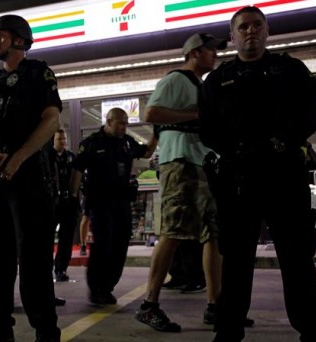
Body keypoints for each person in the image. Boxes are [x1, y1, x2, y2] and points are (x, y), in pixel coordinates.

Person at [198, 6, 316, 341]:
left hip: (285, 177)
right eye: (243, 27)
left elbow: (308, 118)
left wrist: (277, 144)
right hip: (238, 182)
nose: (250, 31)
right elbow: (207, 129)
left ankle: (311, 327)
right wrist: (237, 152)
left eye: (256, 25)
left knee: (296, 259)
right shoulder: (218, 79)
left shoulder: (291, 70)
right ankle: (228, 330)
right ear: (234, 34)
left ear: (267, 31)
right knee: (236, 262)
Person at [0, 14, 62, 342]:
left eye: (1, 36)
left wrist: (18, 159)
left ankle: (45, 331)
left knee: (33, 259)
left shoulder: (38, 73)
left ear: (20, 39)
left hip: (30, 180)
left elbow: (51, 120)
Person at [134, 32, 227, 332]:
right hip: (181, 163)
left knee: (213, 234)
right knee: (173, 231)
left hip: (202, 164)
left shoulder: (201, 84)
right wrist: (196, 115)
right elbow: (152, 113)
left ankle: (216, 305)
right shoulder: (176, 79)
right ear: (195, 53)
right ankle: (149, 304)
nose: (216, 55)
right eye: (211, 50)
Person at [71, 107, 155, 306]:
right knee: (103, 245)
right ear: (109, 122)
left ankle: (108, 287)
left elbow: (146, 152)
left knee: (120, 246)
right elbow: (77, 169)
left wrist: (157, 133)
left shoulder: (127, 142)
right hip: (100, 203)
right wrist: (72, 196)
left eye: (126, 123)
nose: (124, 127)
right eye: (121, 123)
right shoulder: (92, 143)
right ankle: (97, 288)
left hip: (122, 202)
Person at [50, 129, 80, 282]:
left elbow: (77, 178)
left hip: (68, 203)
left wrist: (74, 196)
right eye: (59, 139)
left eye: (64, 139)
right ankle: (46, 268)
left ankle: (61, 268)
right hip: (52, 203)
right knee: (47, 238)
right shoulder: (48, 157)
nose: (62, 141)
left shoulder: (71, 158)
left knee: (66, 238)